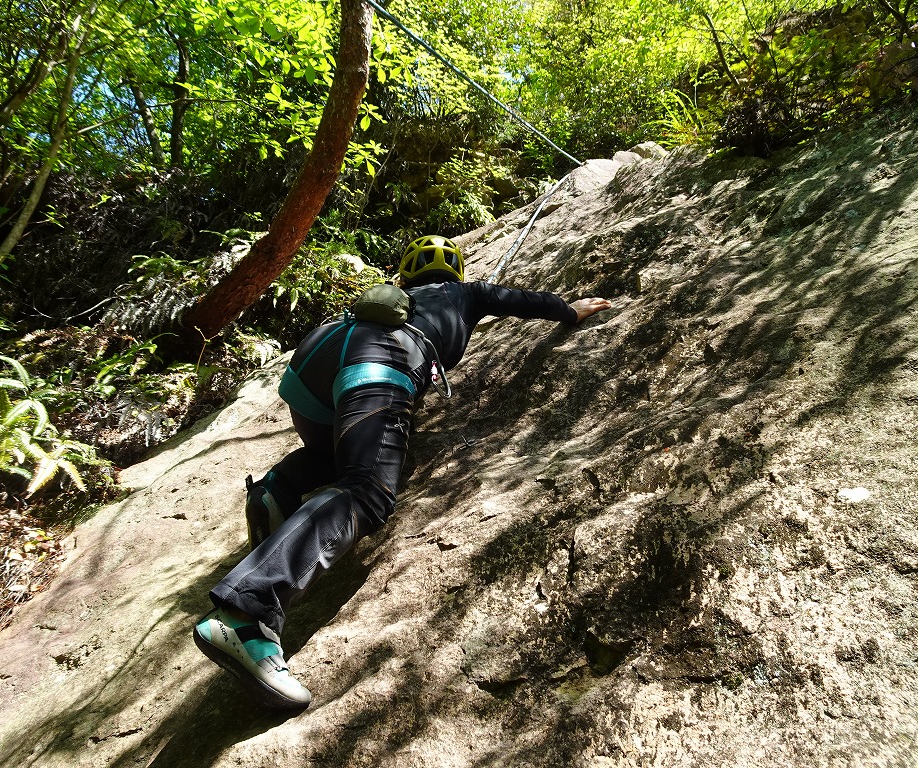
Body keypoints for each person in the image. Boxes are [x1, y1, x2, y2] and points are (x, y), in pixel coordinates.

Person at [193, 235, 612, 709]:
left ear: (405, 276)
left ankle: (278, 489)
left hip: (317, 362)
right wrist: (569, 310)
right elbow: (517, 299)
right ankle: (246, 615)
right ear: (456, 271)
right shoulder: (467, 292)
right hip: (380, 361)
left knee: (342, 457)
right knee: (366, 490)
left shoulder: (396, 298)